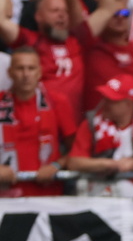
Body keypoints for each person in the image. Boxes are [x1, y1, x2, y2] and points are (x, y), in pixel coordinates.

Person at [65, 73, 133, 198]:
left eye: (112, 101)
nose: (105, 104)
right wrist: (112, 164)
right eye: (105, 98)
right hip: (102, 195)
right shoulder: (92, 122)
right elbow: (74, 162)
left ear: (128, 104)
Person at [0, 47, 76, 198]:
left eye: (31, 68)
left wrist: (56, 166)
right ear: (10, 72)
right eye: (20, 68)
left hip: (47, 195)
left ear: (40, 72)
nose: (26, 74)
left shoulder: (57, 102)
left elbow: (76, 149)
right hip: (5, 197)